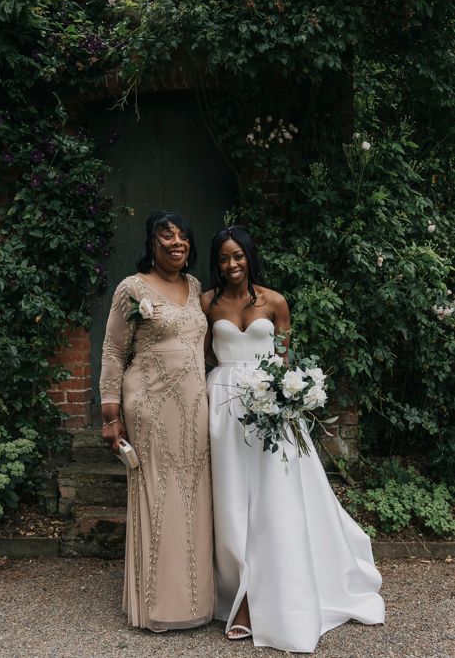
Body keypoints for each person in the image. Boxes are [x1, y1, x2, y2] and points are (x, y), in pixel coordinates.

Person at [202, 224, 385, 652]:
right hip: (223, 410)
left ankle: (268, 593)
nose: (232, 265)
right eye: (224, 258)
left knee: (274, 499)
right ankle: (237, 588)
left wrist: (291, 395)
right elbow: (201, 353)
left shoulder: (276, 301)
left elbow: (286, 359)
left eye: (238, 256)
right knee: (231, 499)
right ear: (217, 263)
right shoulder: (207, 303)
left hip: (272, 409)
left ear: (250, 256)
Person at [99, 211, 215, 631]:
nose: (176, 243)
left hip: (194, 407)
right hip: (149, 404)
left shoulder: (196, 286)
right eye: (166, 237)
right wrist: (110, 414)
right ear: (152, 243)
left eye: (183, 236)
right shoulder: (132, 289)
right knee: (157, 497)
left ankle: (196, 600)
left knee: (194, 497)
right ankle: (157, 605)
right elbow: (112, 352)